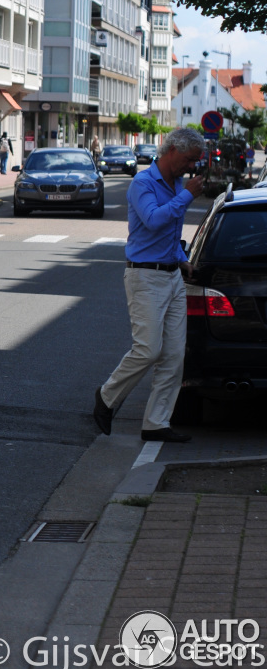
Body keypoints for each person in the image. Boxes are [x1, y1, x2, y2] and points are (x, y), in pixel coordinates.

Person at [93, 127, 206, 443]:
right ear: (172, 151)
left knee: (173, 356)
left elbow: (167, 233)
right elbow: (153, 220)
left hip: (171, 274)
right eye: (189, 159)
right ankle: (106, 397)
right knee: (148, 349)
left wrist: (181, 258)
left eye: (196, 160)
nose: (192, 166)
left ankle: (156, 423)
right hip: (144, 276)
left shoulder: (178, 183)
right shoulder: (143, 183)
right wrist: (186, 196)